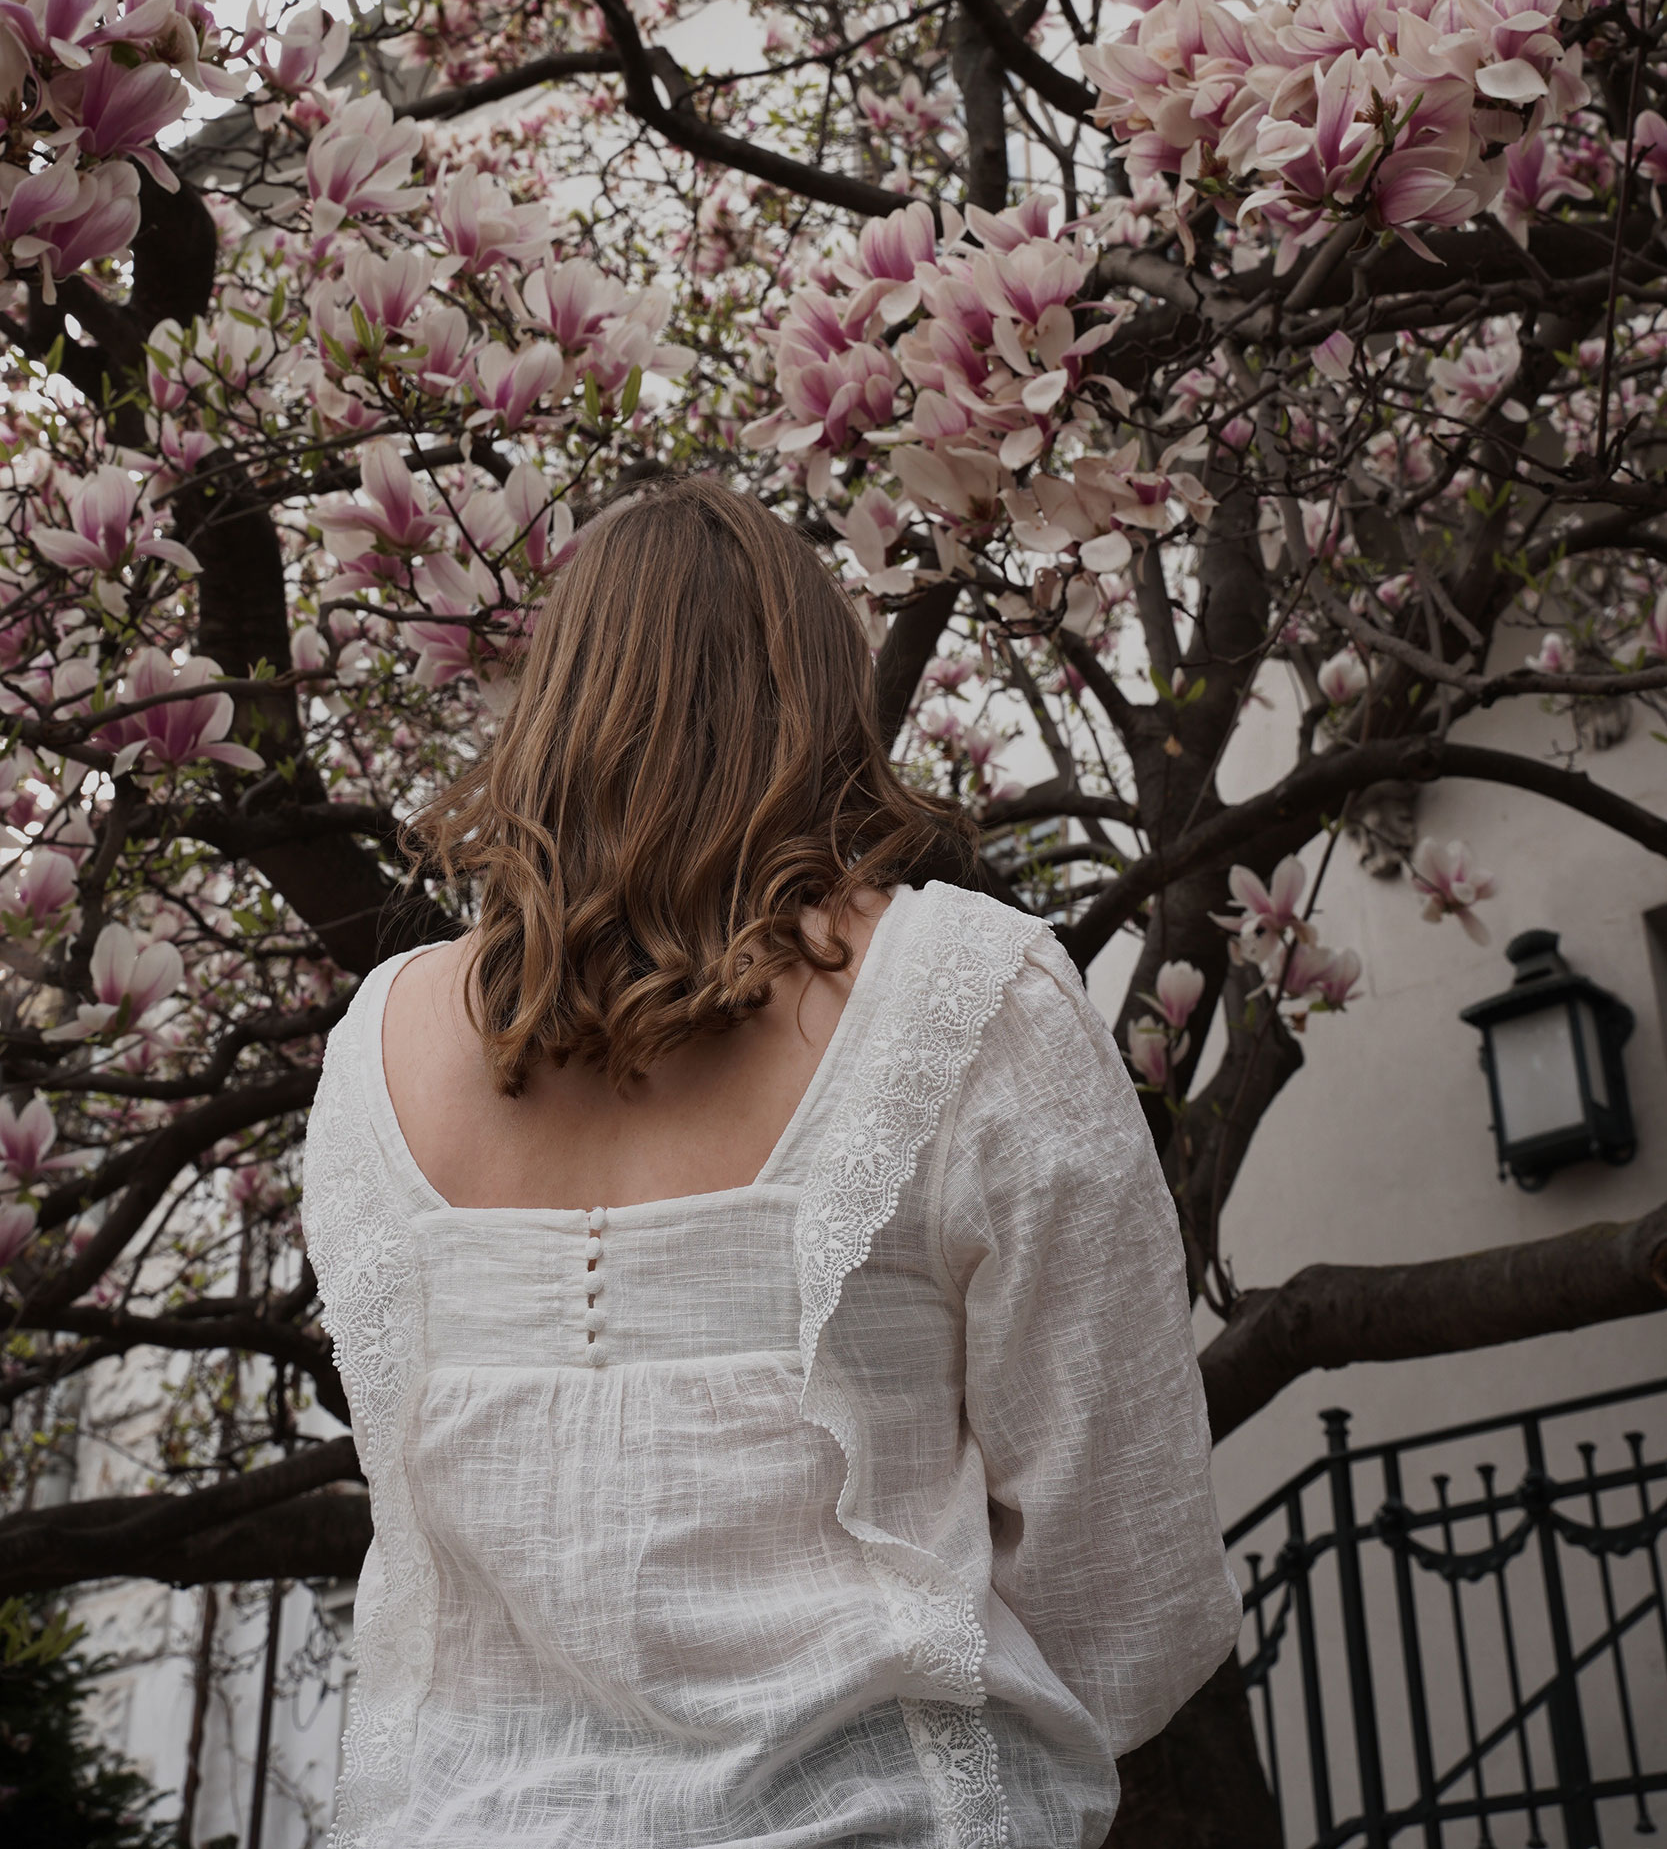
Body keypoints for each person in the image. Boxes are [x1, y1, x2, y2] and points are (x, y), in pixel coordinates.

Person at [301, 477, 1240, 1849]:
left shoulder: (376, 1048)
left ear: (552, 700)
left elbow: (420, 1510)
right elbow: (1127, 1587)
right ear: (817, 694)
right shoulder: (971, 997)